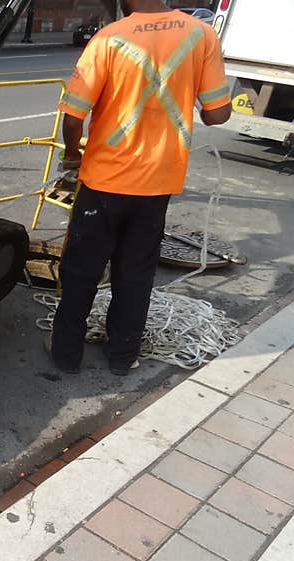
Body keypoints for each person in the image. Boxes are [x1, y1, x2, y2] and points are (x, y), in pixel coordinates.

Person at [48, 0, 231, 375]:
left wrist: (71, 157)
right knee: (136, 273)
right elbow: (217, 114)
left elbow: (72, 118)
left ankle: (66, 357)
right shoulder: (202, 34)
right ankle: (122, 357)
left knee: (82, 270)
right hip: (158, 183)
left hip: (104, 181)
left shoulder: (108, 38)